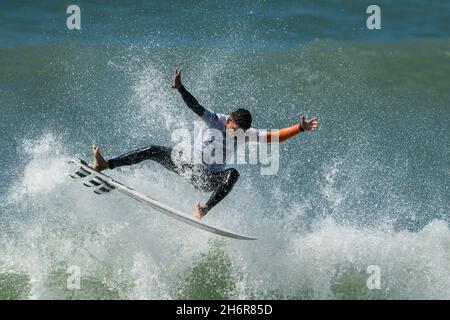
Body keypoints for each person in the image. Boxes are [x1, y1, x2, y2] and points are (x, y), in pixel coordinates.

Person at [92, 68, 319, 219]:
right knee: (152, 150)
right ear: (228, 121)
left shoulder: (247, 133)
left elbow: (274, 137)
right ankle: (106, 164)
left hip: (207, 178)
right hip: (185, 164)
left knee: (233, 174)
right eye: (233, 130)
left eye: (240, 133)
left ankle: (204, 209)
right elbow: (195, 106)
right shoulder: (216, 119)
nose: (235, 135)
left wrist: (300, 128)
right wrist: (181, 88)